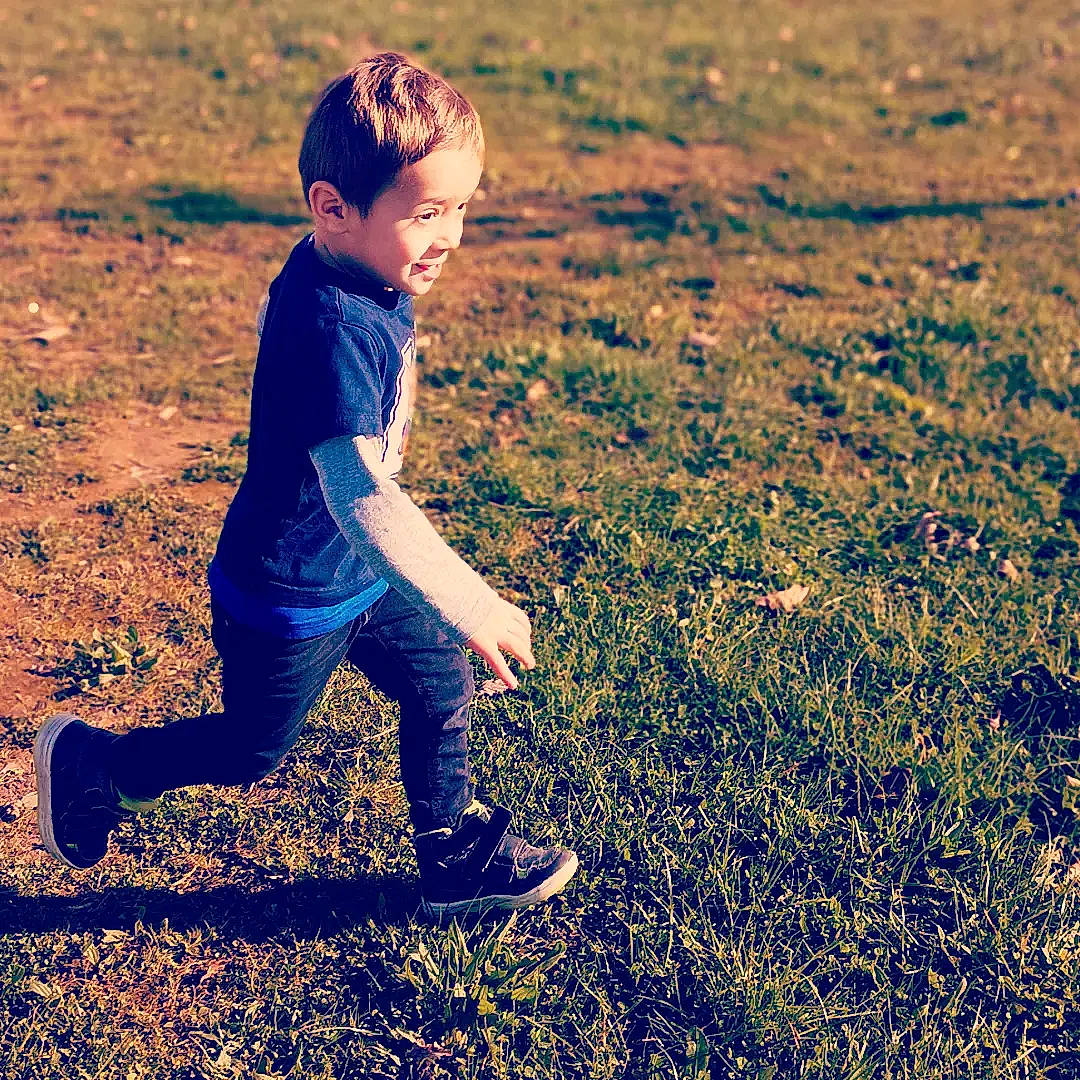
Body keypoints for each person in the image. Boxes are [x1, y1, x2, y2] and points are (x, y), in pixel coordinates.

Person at [33, 52, 578, 918]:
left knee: (440, 683)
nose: (452, 237)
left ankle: (453, 854)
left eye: (462, 208)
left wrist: (434, 608)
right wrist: (469, 602)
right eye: (429, 213)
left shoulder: (354, 265)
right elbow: (361, 494)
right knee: (255, 749)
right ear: (332, 207)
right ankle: (101, 767)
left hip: (360, 570)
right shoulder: (329, 323)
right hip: (291, 589)